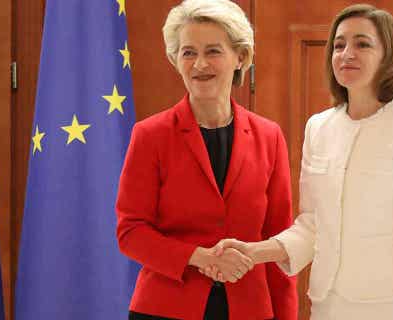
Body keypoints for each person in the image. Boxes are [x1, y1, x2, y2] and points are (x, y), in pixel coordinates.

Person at [205, 4, 393, 320]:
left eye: (362, 44)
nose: (347, 53)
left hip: (391, 306)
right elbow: (313, 225)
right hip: (327, 304)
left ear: (389, 56)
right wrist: (254, 252)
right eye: (339, 45)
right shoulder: (319, 128)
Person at [115, 0, 297, 319]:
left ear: (240, 57)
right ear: (176, 60)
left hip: (251, 309)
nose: (200, 64)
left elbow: (279, 241)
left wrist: (286, 315)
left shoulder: (269, 137)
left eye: (213, 51)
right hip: (166, 308)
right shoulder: (150, 135)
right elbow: (131, 232)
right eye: (188, 52)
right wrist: (200, 257)